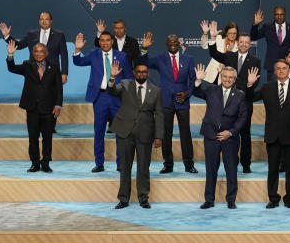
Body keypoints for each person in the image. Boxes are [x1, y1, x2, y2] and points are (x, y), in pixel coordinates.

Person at [193, 64, 255, 210]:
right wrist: (198, 81)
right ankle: (209, 200)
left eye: (230, 77)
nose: (227, 79)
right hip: (211, 135)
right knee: (211, 169)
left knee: (231, 169)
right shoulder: (211, 90)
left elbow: (242, 118)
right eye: (225, 77)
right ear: (221, 77)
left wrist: (231, 132)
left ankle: (231, 199)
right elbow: (196, 92)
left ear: (234, 80)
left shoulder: (240, 95)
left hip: (230, 138)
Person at [252, 59, 290, 208]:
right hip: (273, 135)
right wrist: (249, 84)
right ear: (275, 71)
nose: (281, 71)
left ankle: (289, 198)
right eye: (278, 68)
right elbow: (250, 98)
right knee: (273, 169)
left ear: (288, 70)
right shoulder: (267, 88)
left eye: (284, 68)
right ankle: (273, 198)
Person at [106, 59, 163, 209]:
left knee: (143, 168)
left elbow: (160, 115)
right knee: (125, 168)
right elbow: (111, 90)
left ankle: (143, 198)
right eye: (139, 71)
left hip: (145, 134)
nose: (142, 74)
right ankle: (123, 199)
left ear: (148, 73)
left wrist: (158, 136)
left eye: (144, 72)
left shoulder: (155, 90)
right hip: (125, 133)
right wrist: (112, 77)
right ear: (134, 73)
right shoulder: (125, 85)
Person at [72, 31, 132, 172]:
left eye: (107, 40)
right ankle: (99, 163)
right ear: (99, 42)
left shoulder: (122, 56)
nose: (105, 43)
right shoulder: (94, 54)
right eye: (102, 40)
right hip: (100, 97)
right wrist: (77, 49)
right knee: (99, 131)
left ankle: (120, 164)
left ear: (112, 41)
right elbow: (78, 62)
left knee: (120, 133)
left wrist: (123, 91)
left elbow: (129, 77)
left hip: (117, 97)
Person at [139, 34, 197, 174]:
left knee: (186, 134)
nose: (172, 44)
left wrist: (187, 93)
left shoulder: (188, 59)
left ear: (179, 43)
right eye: (170, 42)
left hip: (182, 101)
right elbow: (144, 63)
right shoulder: (160, 59)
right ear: (167, 44)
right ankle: (168, 164)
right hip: (165, 101)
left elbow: (193, 80)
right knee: (166, 134)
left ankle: (189, 165)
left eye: (175, 42)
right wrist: (144, 50)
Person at [5, 41, 62, 172]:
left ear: (46, 53)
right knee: (33, 137)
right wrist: (10, 54)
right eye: (36, 51)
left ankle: (46, 163)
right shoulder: (27, 65)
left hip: (49, 108)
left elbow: (59, 88)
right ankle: (35, 163)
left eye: (41, 51)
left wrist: (58, 105)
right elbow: (12, 68)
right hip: (32, 108)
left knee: (47, 138)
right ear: (33, 53)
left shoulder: (53, 67)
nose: (38, 54)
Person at [211, 33, 262, 173]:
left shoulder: (255, 61)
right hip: (228, 103)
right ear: (237, 43)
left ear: (249, 44)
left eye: (247, 42)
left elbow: (255, 83)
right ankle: (233, 161)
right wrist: (212, 38)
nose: (244, 44)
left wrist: (250, 84)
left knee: (245, 135)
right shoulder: (229, 56)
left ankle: (246, 164)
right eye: (241, 42)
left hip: (245, 103)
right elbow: (214, 53)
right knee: (231, 134)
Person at [0, 11, 68, 84]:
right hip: (33, 72)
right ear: (39, 21)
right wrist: (7, 36)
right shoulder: (31, 34)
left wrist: (64, 73)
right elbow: (18, 45)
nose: (44, 21)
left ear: (51, 21)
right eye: (41, 19)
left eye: (46, 19)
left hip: (52, 72)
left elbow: (64, 55)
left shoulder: (59, 35)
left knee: (52, 95)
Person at [250, 6, 290, 80]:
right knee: (272, 90)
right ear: (274, 15)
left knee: (288, 90)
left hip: (289, 66)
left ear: (285, 15)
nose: (279, 17)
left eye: (281, 14)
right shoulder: (267, 27)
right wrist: (255, 25)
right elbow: (253, 37)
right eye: (277, 14)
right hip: (272, 67)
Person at [199, 20, 239, 84]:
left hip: (228, 78)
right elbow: (204, 46)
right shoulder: (219, 38)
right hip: (214, 75)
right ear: (226, 33)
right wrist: (205, 33)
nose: (232, 35)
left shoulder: (239, 45)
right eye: (230, 33)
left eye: (234, 33)